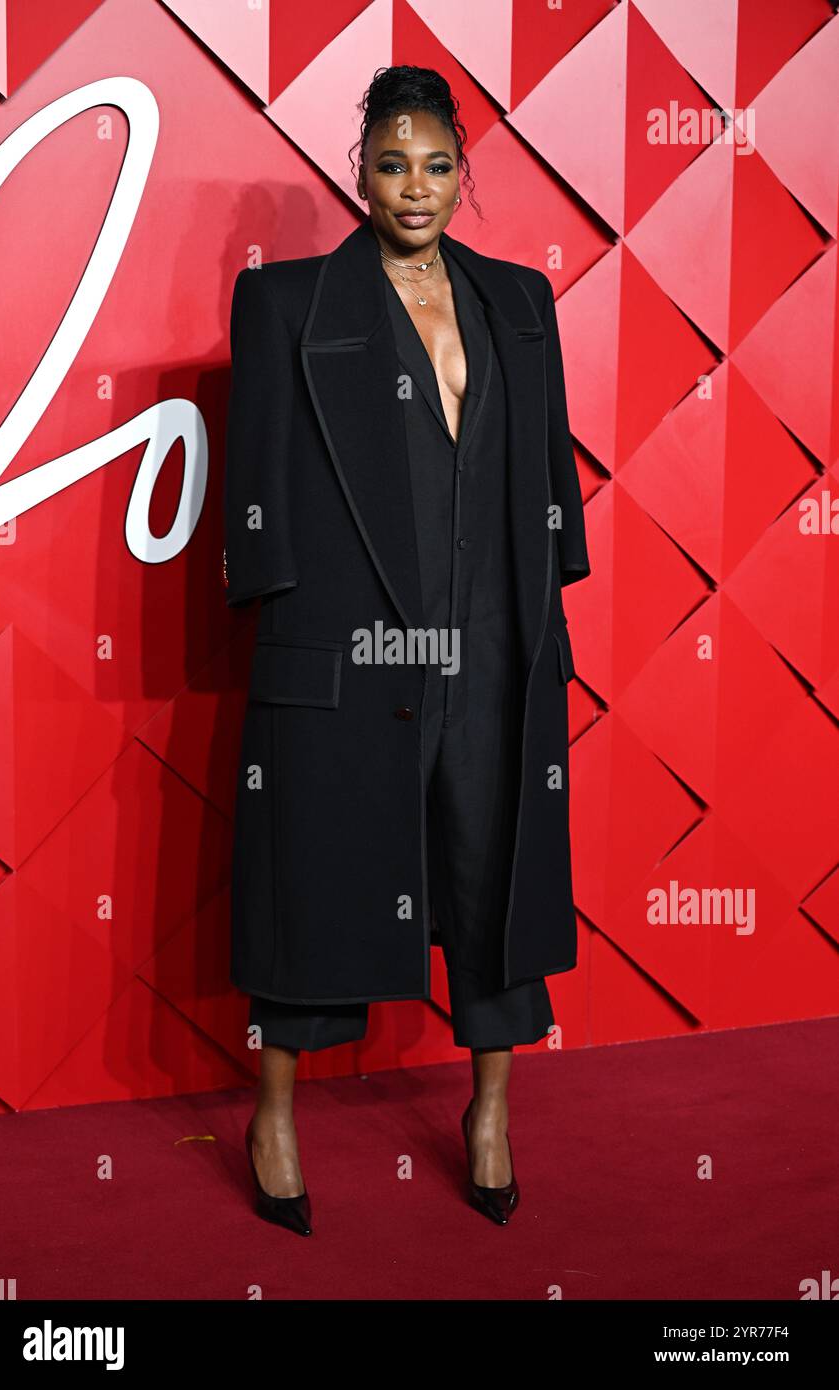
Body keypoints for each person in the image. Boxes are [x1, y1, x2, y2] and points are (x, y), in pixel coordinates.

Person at [224, 65, 590, 1236]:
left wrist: (545, 620)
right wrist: (289, 642)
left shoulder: (517, 303)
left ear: (462, 172)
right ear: (360, 172)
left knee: (495, 880)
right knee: (316, 885)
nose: (414, 188)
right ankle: (272, 1115)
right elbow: (259, 490)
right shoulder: (289, 305)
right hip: (358, 648)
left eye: (436, 165)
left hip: (490, 645)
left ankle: (489, 1114)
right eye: (391, 164)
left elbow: (545, 480)